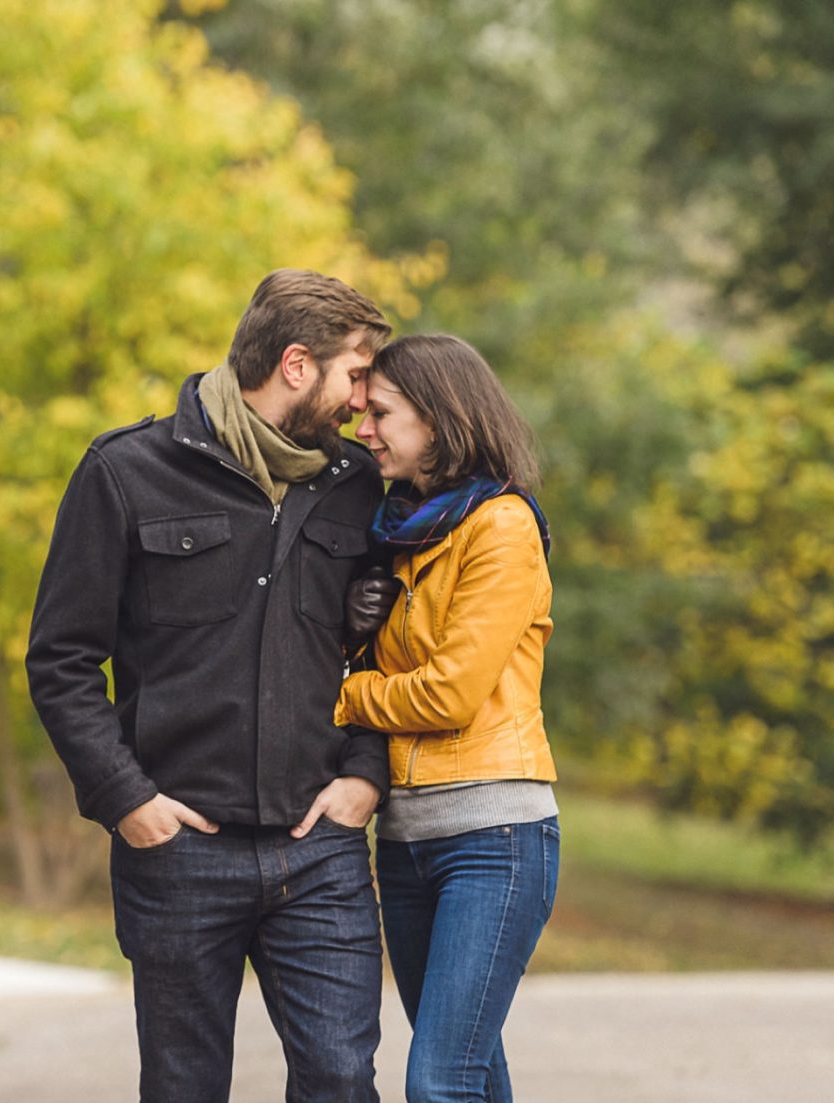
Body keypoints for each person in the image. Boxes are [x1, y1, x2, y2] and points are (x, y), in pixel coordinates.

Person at [26, 269, 393, 1103]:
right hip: (179, 852)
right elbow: (60, 658)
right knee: (185, 1087)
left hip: (321, 850)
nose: (362, 399)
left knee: (342, 1078)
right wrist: (128, 800)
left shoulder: (357, 487)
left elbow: (383, 648)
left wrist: (365, 774)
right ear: (297, 364)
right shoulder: (125, 472)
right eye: (356, 372)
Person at [336, 333, 559, 1103]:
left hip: (493, 838)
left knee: (439, 1081)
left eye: (382, 413)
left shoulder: (500, 527)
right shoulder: (398, 532)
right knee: (471, 1069)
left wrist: (337, 695)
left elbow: (446, 694)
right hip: (404, 841)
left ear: (437, 419)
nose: (363, 429)